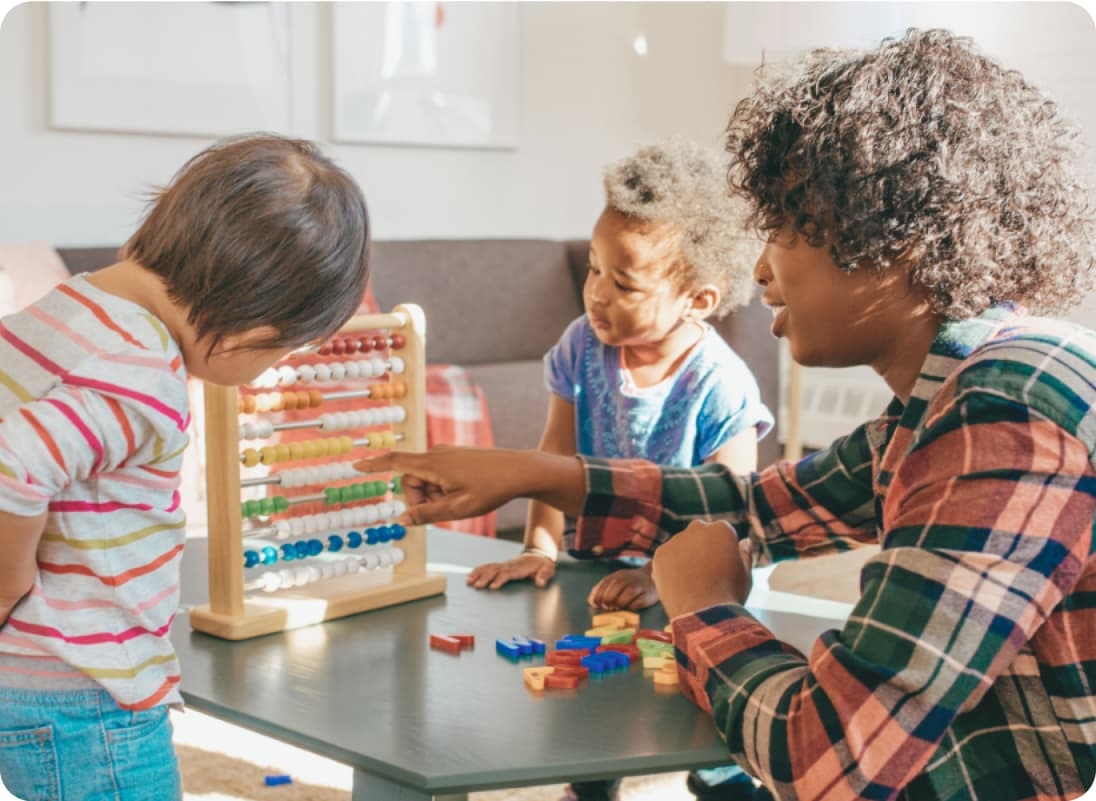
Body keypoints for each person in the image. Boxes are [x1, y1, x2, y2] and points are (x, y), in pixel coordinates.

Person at [361, 28, 1096, 801]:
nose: (757, 269)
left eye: (780, 231)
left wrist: (704, 605)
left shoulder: (1000, 417)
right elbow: (757, 503)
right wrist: (530, 474)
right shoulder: (953, 397)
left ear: (896, 242)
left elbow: (828, 758)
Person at [0, 133, 371, 801]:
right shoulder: (144, 371)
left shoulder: (60, 311)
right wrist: (6, 580)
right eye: (277, 354)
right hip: (93, 694)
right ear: (242, 334)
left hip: (29, 678)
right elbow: (13, 462)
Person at [468, 140, 774, 801]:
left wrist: (660, 582)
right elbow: (556, 456)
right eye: (594, 270)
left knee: (695, 713)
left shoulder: (720, 383)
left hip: (697, 591)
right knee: (592, 711)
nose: (598, 294)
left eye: (624, 283)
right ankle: (590, 784)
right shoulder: (581, 345)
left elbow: (734, 508)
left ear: (697, 297)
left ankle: (724, 779)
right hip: (594, 577)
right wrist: (538, 546)